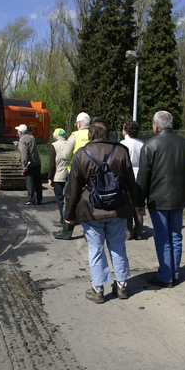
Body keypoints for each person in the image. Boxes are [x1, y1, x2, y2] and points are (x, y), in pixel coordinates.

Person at [64, 118, 135, 303]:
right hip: (117, 208)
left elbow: (73, 188)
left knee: (95, 249)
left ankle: (97, 289)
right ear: (109, 134)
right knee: (118, 246)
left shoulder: (81, 154)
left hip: (91, 208)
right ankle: (122, 286)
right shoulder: (121, 151)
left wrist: (69, 215)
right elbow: (130, 182)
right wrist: (136, 205)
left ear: (90, 135)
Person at [136, 111, 185, 287]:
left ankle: (165, 276)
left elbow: (143, 177)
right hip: (178, 199)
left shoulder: (150, 145)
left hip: (158, 199)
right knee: (176, 236)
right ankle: (174, 273)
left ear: (156, 125)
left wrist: (139, 202)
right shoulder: (184, 143)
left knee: (163, 238)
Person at [53, 112, 91, 240]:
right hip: (91, 175)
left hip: (76, 175)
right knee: (89, 201)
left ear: (79, 124)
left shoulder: (75, 136)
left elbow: (65, 155)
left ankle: (66, 231)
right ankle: (88, 233)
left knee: (70, 201)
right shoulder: (94, 133)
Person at [120, 119, 144, 240]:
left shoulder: (123, 144)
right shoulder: (142, 144)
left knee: (127, 204)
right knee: (138, 204)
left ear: (126, 130)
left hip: (127, 177)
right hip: (140, 177)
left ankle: (128, 231)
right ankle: (138, 232)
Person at [13, 124, 42, 205]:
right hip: (37, 162)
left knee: (30, 182)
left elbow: (24, 153)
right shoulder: (31, 137)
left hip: (29, 164)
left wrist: (24, 165)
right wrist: (19, 144)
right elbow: (30, 147)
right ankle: (39, 199)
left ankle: (31, 199)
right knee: (37, 181)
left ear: (20, 132)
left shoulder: (22, 140)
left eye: (18, 131)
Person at [48, 128, 68, 227]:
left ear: (55, 137)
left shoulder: (54, 145)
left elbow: (52, 163)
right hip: (69, 174)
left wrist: (50, 178)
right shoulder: (69, 143)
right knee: (69, 199)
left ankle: (62, 220)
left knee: (60, 199)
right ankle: (70, 218)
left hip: (59, 175)